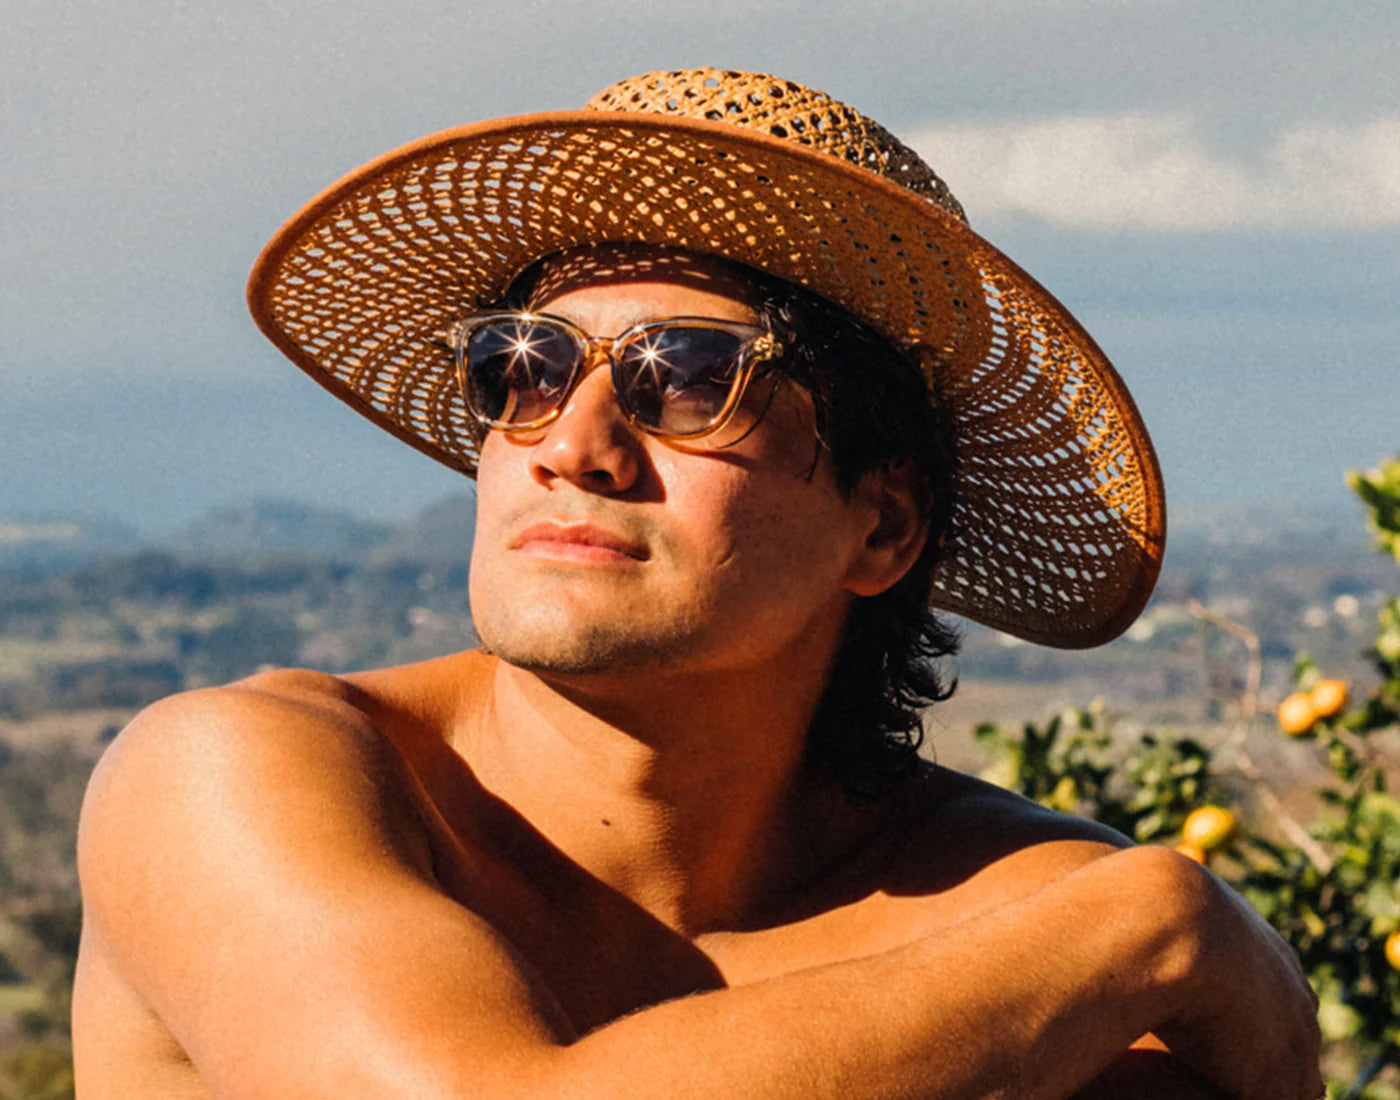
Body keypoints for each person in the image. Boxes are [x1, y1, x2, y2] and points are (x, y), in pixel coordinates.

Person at [73, 69, 1322, 1098]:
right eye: (527, 365)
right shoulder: (245, 774)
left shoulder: (1014, 920)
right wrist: (1155, 921)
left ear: (879, 525)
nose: (571, 442)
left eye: (685, 375)